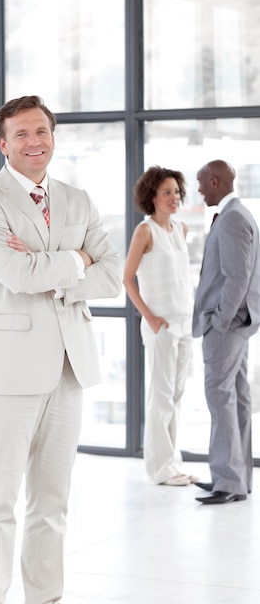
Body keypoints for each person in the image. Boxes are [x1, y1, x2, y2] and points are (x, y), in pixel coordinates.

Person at [0, 95, 122, 604]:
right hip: (7, 373)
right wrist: (77, 259)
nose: (34, 142)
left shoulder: (77, 199)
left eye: (42, 132)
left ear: (54, 137)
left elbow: (112, 273)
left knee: (51, 504)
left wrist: (53, 264)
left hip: (69, 370)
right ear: (3, 144)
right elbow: (17, 276)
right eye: (22, 134)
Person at [123, 166, 197, 486]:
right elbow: (127, 279)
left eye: (177, 192)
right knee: (161, 396)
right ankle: (159, 469)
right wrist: (150, 318)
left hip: (185, 322)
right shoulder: (145, 231)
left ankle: (173, 464)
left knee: (176, 396)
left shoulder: (181, 229)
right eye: (167, 192)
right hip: (161, 326)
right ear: (151, 196)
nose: (174, 197)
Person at [193, 159, 260, 505]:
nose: (199, 189)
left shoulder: (233, 218)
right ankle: (236, 479)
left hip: (227, 327)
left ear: (215, 181)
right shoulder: (237, 214)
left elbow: (237, 277)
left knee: (221, 400)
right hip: (238, 325)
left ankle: (227, 481)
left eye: (202, 183)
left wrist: (220, 320)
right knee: (236, 400)